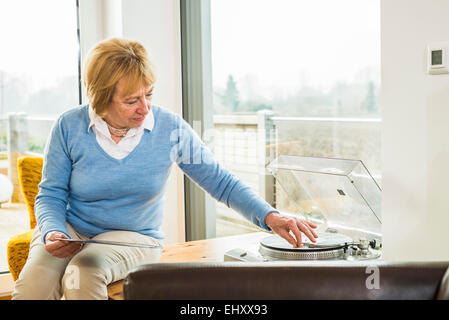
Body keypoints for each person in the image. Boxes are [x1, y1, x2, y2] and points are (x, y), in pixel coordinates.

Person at [12, 38, 318, 300]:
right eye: (132, 100)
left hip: (134, 236)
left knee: (82, 274)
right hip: (72, 230)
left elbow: (220, 182)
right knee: (30, 286)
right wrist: (53, 231)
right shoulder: (69, 126)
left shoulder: (170, 128)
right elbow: (50, 193)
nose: (145, 108)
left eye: (149, 94)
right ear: (102, 98)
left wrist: (269, 215)